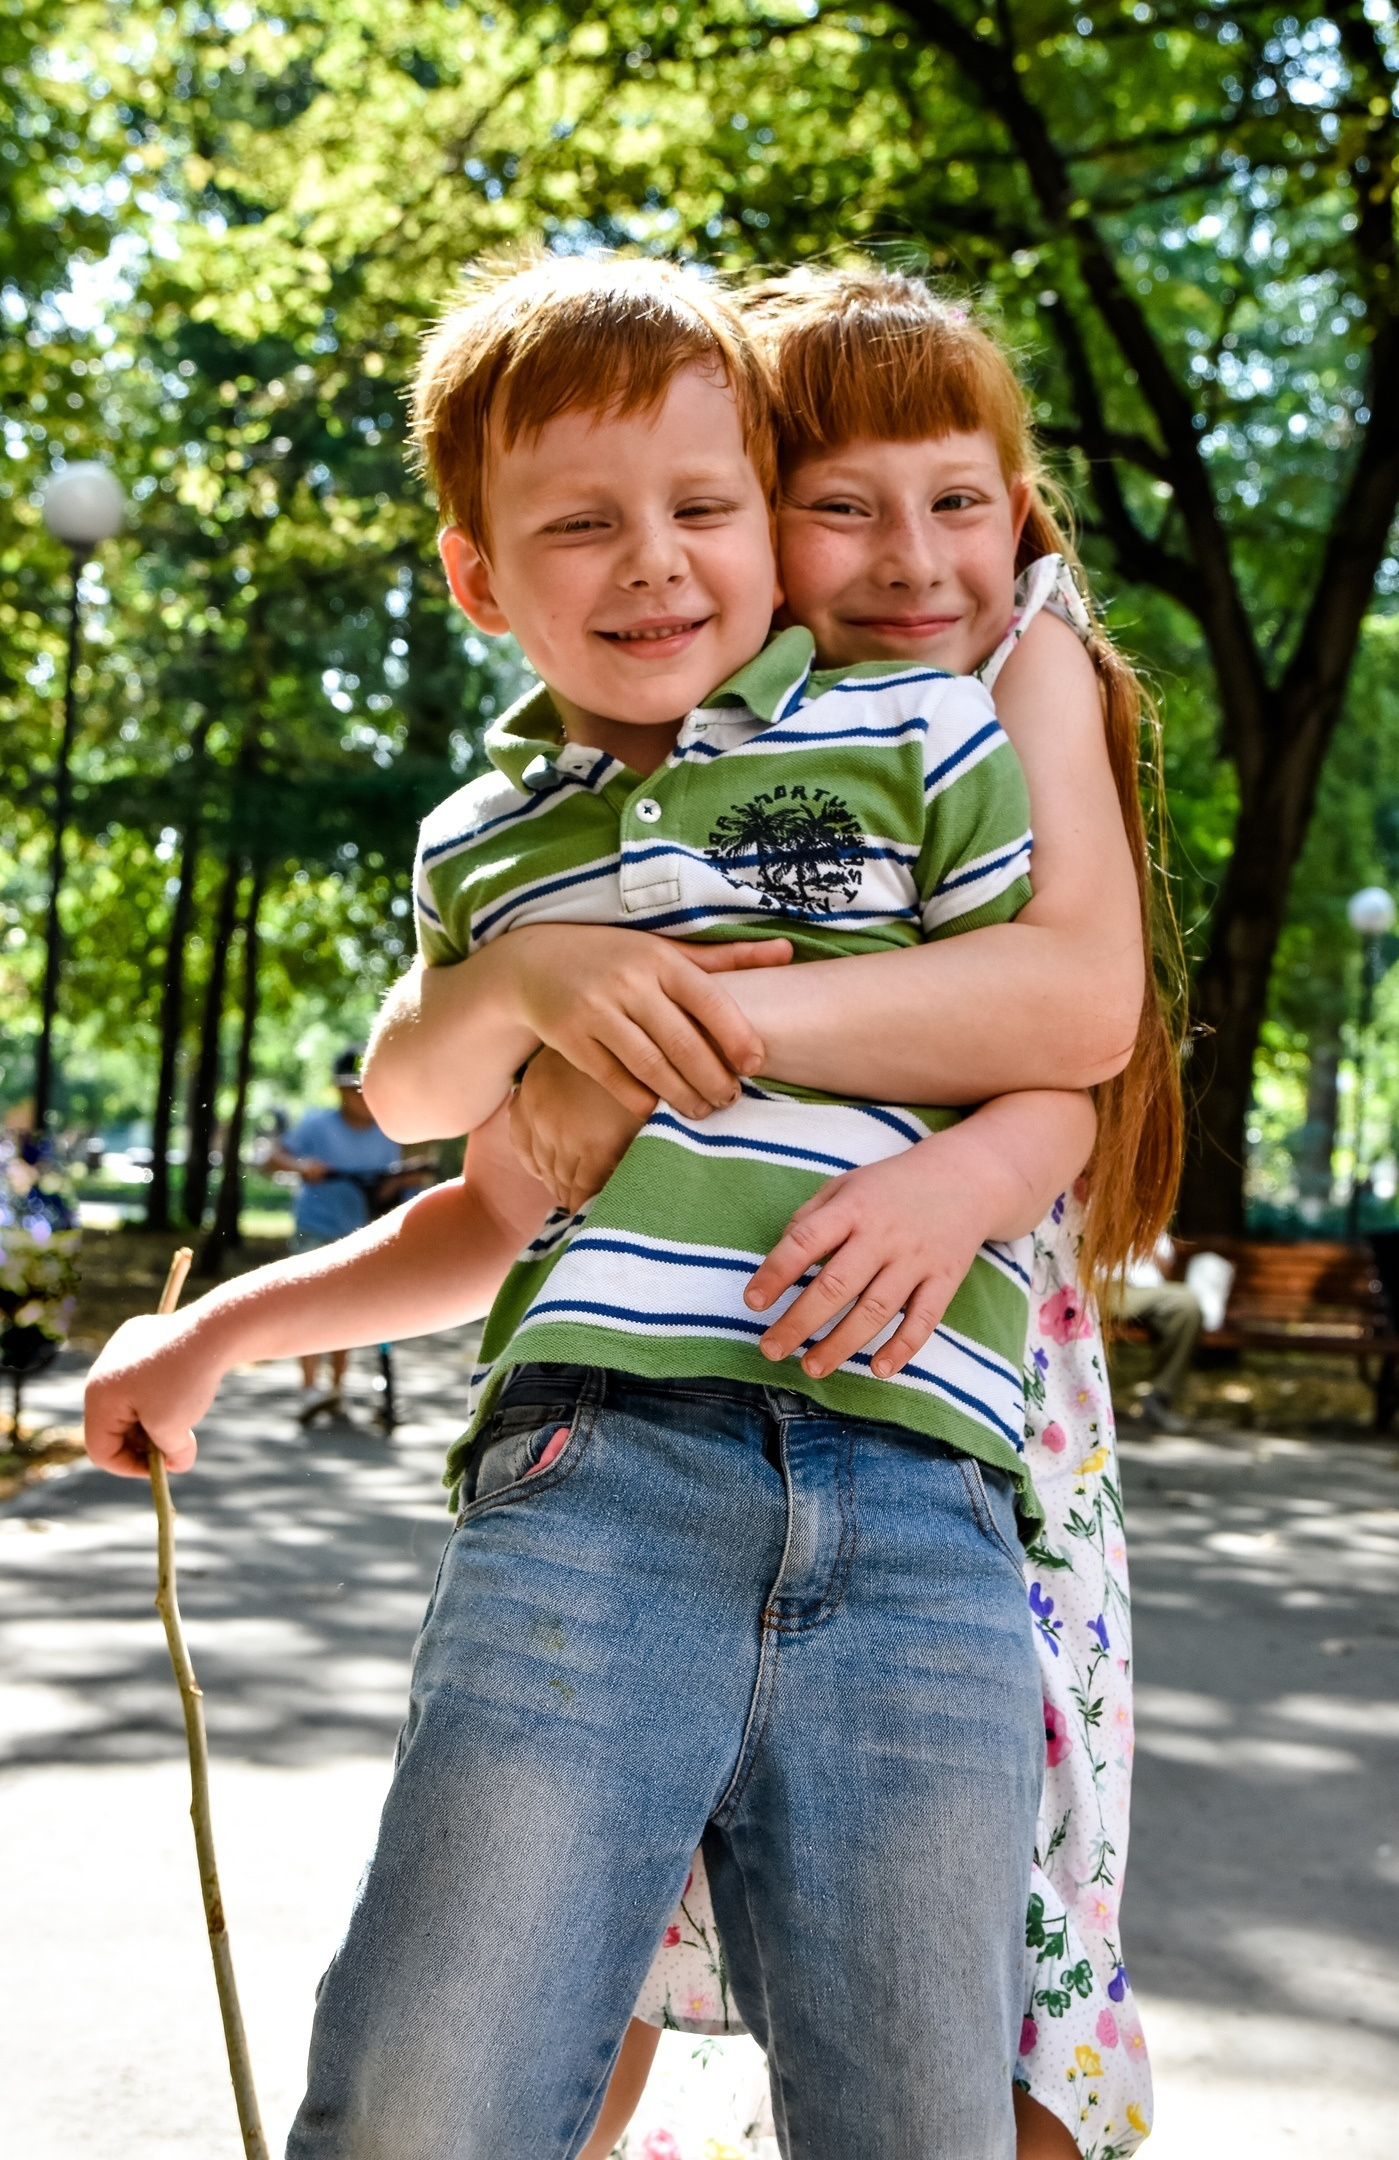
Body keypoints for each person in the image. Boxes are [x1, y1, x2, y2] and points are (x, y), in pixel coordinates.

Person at [83, 256, 1177, 2159]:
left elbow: (1066, 1050)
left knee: (937, 2103)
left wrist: (962, 1171)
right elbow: (455, 1153)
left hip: (924, 1486)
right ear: (480, 581)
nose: (656, 563)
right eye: (581, 525)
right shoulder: (507, 844)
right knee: (451, 2079)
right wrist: (223, 1321)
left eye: (699, 509)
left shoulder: (932, 735)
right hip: (605, 1469)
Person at [264, 1048, 407, 1420]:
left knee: (346, 1315)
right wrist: (301, 1166)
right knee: (310, 1308)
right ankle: (309, 1390)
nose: (359, 1097)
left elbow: (387, 1189)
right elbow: (271, 1158)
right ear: (339, 1091)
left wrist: (401, 1183)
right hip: (315, 1227)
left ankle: (336, 1390)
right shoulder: (316, 1125)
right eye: (352, 1089)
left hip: (357, 1233)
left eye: (365, 1089)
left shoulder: (386, 1133)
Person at [1117, 1233, 1204, 1432]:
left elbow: (1166, 1269)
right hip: (1101, 1284)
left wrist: (1146, 1247)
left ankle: (1158, 1397)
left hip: (1145, 1291)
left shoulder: (1150, 1221)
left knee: (1187, 1304)